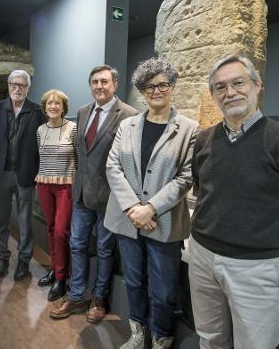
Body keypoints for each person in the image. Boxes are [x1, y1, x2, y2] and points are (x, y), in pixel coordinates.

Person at [189, 55, 279, 349]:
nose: (230, 93)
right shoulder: (203, 141)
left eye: (238, 83)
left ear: (256, 85)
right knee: (210, 337)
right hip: (202, 257)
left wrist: (267, 235)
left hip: (255, 265)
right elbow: (202, 191)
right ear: (213, 95)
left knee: (255, 345)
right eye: (220, 87)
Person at [104, 58, 199, 349]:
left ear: (172, 87)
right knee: (134, 280)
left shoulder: (189, 129)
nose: (156, 91)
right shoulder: (128, 125)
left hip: (164, 222)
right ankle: (138, 332)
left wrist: (151, 208)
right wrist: (134, 208)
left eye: (162, 85)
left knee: (164, 289)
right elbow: (112, 166)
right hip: (127, 219)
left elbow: (186, 177)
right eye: (149, 87)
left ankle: (161, 337)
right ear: (142, 92)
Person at [50, 65, 137, 323]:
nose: (99, 86)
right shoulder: (83, 111)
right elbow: (81, 154)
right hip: (81, 195)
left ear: (115, 85)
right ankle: (76, 296)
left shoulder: (129, 116)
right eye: (95, 82)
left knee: (104, 249)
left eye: (104, 81)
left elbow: (129, 161)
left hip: (110, 197)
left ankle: (99, 298)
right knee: (77, 244)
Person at [0, 70, 46, 280]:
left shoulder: (38, 112)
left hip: (25, 174)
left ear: (28, 88)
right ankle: (2, 258)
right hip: (1, 174)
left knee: (24, 221)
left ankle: (24, 261)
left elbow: (40, 146)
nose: (17, 88)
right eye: (13, 84)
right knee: (1, 220)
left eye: (22, 85)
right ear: (8, 85)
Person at [35, 89, 78, 301]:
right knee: (51, 229)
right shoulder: (40, 130)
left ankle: (62, 278)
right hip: (44, 184)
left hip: (65, 186)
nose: (53, 106)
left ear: (63, 107)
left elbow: (79, 159)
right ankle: (55, 269)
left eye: (57, 103)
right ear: (44, 108)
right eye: (49, 103)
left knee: (62, 231)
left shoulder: (72, 128)